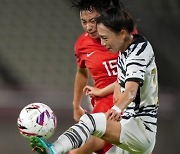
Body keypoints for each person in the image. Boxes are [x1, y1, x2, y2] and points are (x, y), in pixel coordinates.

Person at [29, 5, 158, 154]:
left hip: (139, 127)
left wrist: (117, 108)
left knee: (91, 122)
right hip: (128, 126)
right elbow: (122, 82)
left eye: (105, 38)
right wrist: (102, 91)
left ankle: (53, 150)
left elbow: (131, 91)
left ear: (122, 33)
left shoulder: (138, 51)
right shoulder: (125, 48)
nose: (103, 43)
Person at [71, 0, 123, 153]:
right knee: (94, 138)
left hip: (129, 100)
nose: (89, 27)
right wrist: (76, 105)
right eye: (84, 22)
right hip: (104, 102)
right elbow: (81, 71)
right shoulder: (82, 44)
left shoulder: (124, 33)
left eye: (93, 21)